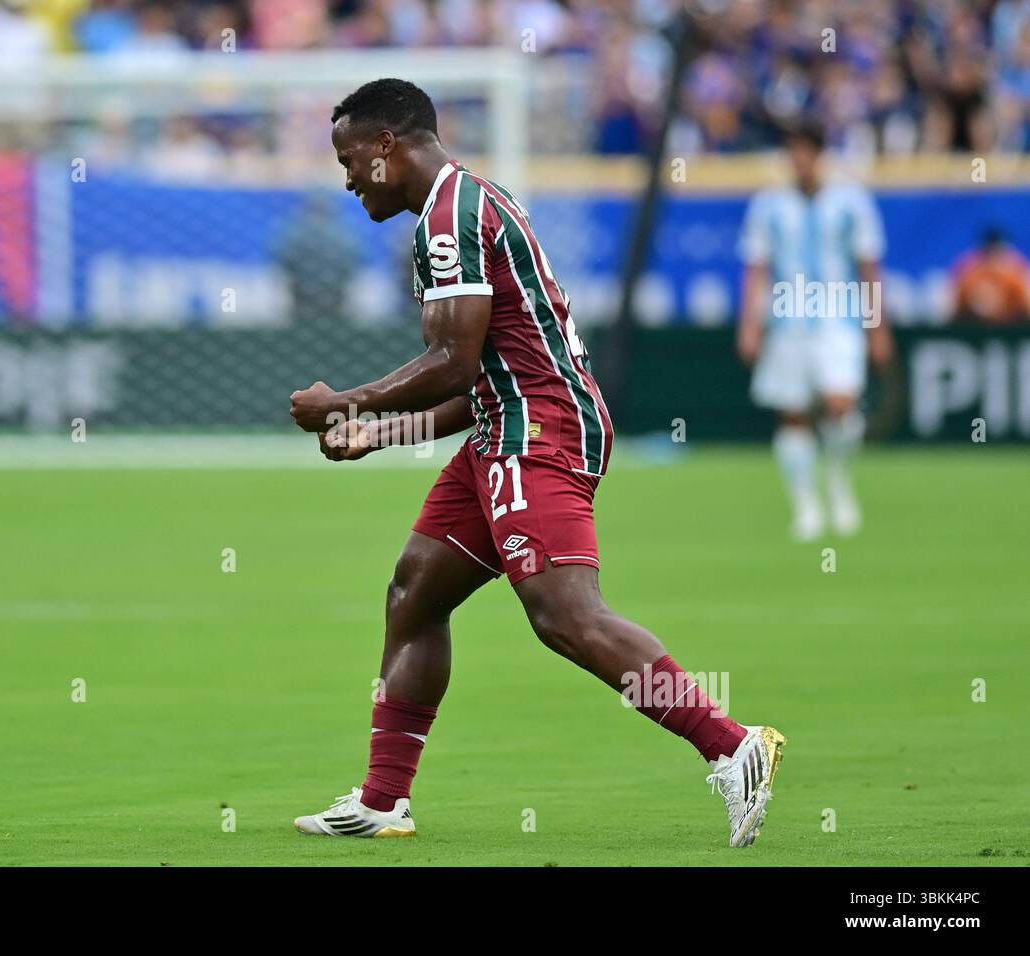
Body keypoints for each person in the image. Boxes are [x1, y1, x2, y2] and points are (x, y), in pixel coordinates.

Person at [288, 79, 785, 848]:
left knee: (565, 615)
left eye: (350, 158)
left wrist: (345, 402)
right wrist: (376, 433)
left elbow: (454, 362)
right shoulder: (468, 202)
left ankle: (732, 744)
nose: (347, 177)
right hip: (503, 424)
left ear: (387, 145)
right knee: (414, 591)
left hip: (538, 431)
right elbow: (480, 378)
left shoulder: (451, 217)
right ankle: (385, 800)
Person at [737, 123, 894, 541]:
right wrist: (749, 324)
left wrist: (878, 325)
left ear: (820, 154)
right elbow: (756, 269)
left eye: (806, 151)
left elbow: (869, 268)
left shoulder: (850, 203)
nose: (799, 160)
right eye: (793, 151)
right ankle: (805, 504)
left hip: (837, 319)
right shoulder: (768, 206)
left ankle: (838, 481)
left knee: (841, 401)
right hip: (787, 321)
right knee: (794, 414)